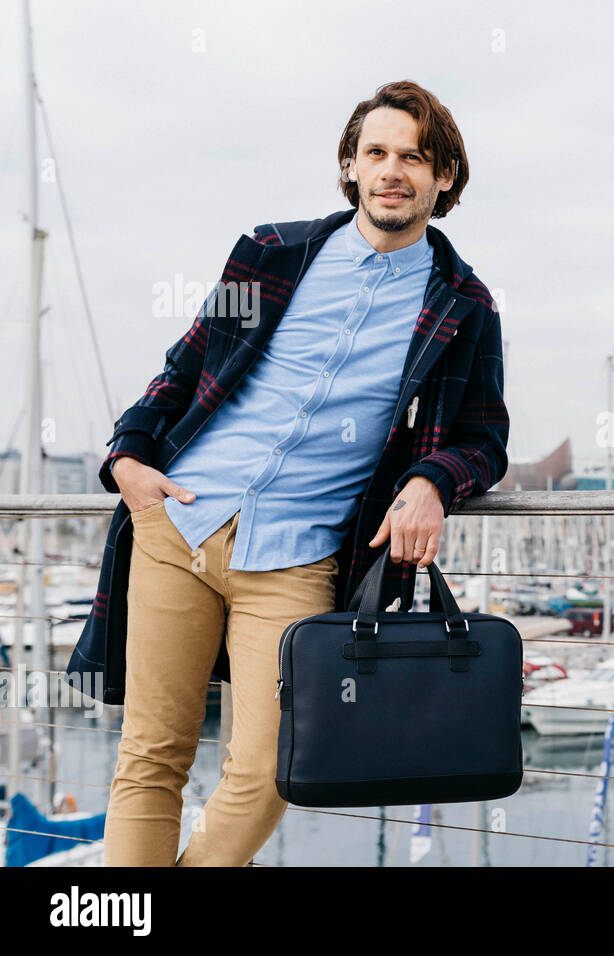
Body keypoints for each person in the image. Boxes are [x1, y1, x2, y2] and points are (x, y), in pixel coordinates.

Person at [95, 80, 509, 865]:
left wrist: (431, 482)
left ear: (443, 177)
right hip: (175, 524)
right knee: (150, 756)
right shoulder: (271, 254)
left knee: (270, 771)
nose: (393, 171)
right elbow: (183, 370)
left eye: (414, 157)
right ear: (350, 167)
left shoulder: (463, 305)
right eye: (376, 153)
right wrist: (126, 460)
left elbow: (485, 438)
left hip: (297, 561)